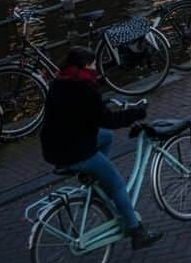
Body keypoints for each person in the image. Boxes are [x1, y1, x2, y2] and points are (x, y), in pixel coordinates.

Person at [39, 46, 163, 250]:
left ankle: (96, 180)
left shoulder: (59, 83)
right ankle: (137, 231)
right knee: (117, 185)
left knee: (105, 137)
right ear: (84, 66)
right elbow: (107, 119)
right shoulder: (85, 90)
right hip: (76, 151)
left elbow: (86, 115)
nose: (97, 67)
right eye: (94, 64)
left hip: (54, 148)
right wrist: (136, 114)